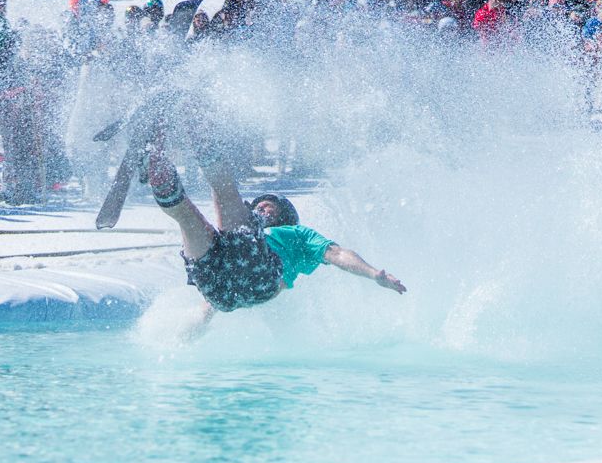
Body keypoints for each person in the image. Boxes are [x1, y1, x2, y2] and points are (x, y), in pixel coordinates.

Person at [141, 116, 406, 319]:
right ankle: (159, 169)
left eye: (271, 209)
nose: (264, 211)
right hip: (218, 291)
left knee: (226, 197)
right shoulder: (237, 232)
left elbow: (337, 254)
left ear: (284, 218)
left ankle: (197, 126)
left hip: (261, 279)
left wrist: (373, 274)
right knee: (187, 218)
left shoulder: (297, 236)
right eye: (261, 207)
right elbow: (207, 310)